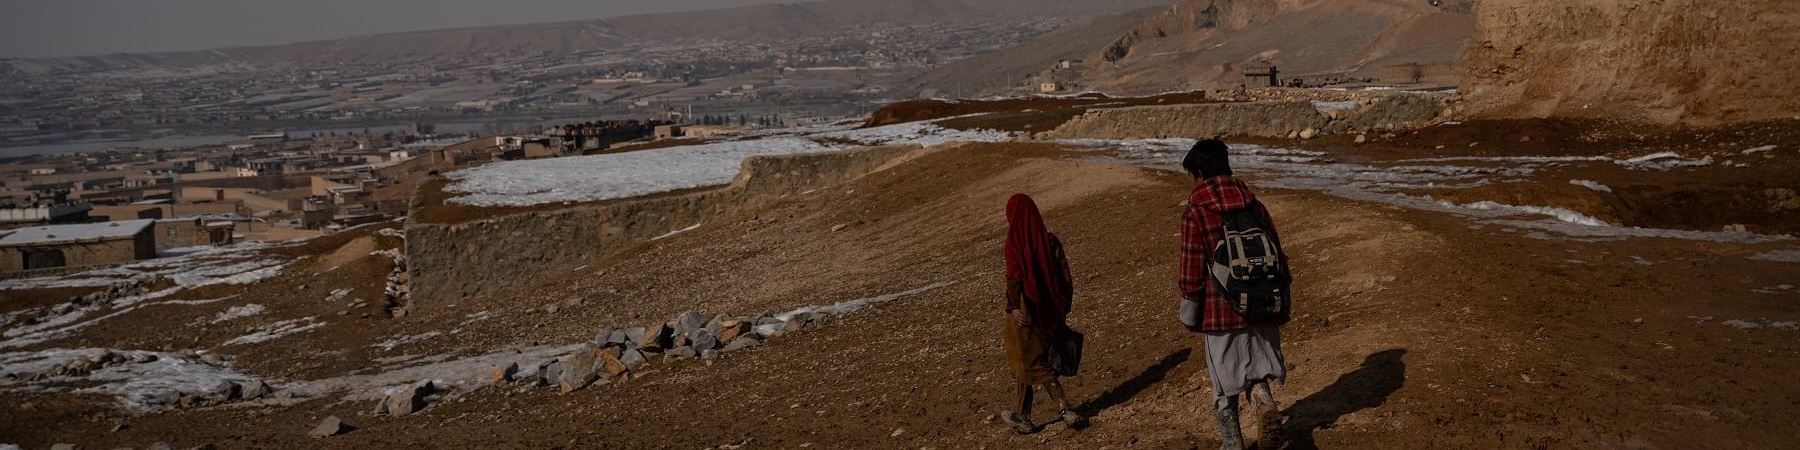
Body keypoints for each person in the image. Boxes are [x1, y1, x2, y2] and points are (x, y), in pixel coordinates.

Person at [1178, 140, 1289, 450]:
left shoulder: (1195, 213)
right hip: (1264, 302)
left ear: (1199, 173)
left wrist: (1189, 311)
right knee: (1256, 365)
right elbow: (1277, 253)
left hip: (1220, 309)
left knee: (1224, 380)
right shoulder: (1254, 204)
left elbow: (1191, 269)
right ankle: (1263, 400)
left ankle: (1232, 443)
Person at [999, 194, 1081, 434]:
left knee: (1032, 363)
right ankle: (1023, 416)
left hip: (1026, 314)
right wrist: (1063, 307)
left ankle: (1065, 408)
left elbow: (1014, 278)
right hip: (1051, 311)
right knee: (1027, 362)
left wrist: (1013, 307)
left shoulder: (1014, 243)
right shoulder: (1051, 241)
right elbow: (1066, 277)